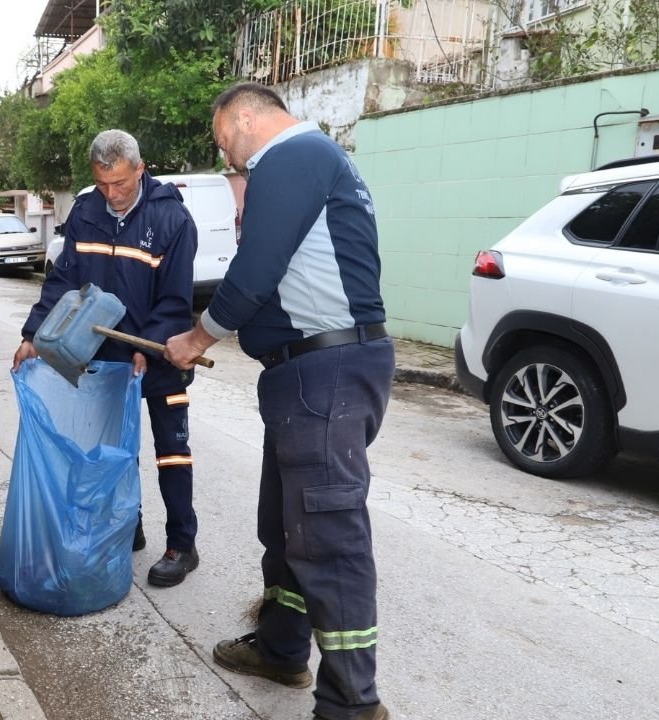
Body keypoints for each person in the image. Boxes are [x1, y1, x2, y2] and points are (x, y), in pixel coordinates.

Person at [165, 83, 394, 720]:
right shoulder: (316, 160)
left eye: (226, 148)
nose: (231, 162)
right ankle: (282, 649)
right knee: (287, 524)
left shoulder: (289, 157)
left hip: (327, 371)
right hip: (309, 375)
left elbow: (257, 269)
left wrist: (195, 336)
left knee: (326, 538)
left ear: (244, 117)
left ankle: (353, 704)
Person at [13, 129, 201, 588]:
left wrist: (147, 345)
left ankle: (182, 544)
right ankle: (126, 525)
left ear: (140, 169)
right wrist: (35, 333)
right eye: (102, 185)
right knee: (115, 448)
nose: (112, 195)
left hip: (160, 355)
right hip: (101, 357)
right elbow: (63, 281)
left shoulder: (172, 219)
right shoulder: (86, 212)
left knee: (171, 451)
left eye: (120, 183)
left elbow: (177, 300)